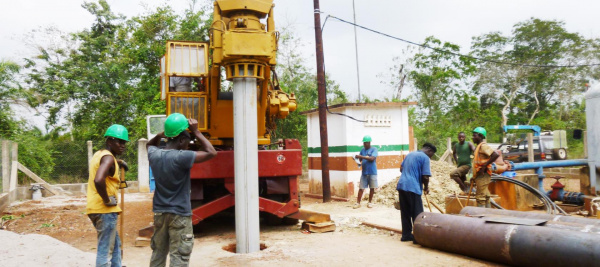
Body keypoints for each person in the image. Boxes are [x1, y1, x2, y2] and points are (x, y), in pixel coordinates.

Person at [147, 113, 217, 266]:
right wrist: (197, 132)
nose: (188, 145)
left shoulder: (154, 154)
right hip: (179, 213)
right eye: (187, 141)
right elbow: (211, 152)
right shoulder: (182, 157)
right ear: (181, 140)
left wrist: (161, 133)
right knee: (179, 256)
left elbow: (149, 144)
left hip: (160, 212)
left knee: (158, 253)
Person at [86, 124, 129, 267]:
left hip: (95, 209)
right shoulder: (108, 158)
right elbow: (98, 179)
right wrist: (107, 199)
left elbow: (105, 164)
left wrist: (119, 162)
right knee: (105, 252)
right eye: (119, 141)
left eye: (124, 142)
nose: (122, 145)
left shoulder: (100, 155)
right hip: (105, 210)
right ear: (109, 141)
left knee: (116, 245)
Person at [396, 143, 437, 243]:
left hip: (402, 185)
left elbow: (401, 168)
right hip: (413, 187)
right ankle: (417, 238)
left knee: (405, 212)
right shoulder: (425, 158)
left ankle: (406, 235)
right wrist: (426, 187)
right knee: (417, 213)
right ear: (429, 151)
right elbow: (425, 177)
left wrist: (409, 172)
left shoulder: (410, 154)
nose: (430, 157)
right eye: (431, 155)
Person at [472, 127, 499, 208]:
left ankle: (481, 216)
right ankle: (488, 213)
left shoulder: (483, 146)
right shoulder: (478, 147)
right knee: (486, 195)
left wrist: (484, 166)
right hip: (479, 174)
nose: (473, 137)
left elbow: (495, 155)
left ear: (480, 136)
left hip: (483, 174)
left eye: (474, 135)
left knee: (480, 197)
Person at [353, 135, 378, 209]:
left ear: (369, 143)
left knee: (372, 188)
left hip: (372, 171)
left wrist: (361, 157)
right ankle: (358, 203)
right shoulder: (362, 150)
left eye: (366, 143)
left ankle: (370, 202)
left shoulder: (374, 149)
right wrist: (356, 159)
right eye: (364, 143)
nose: (364, 144)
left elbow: (372, 158)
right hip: (364, 172)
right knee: (361, 188)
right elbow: (360, 160)